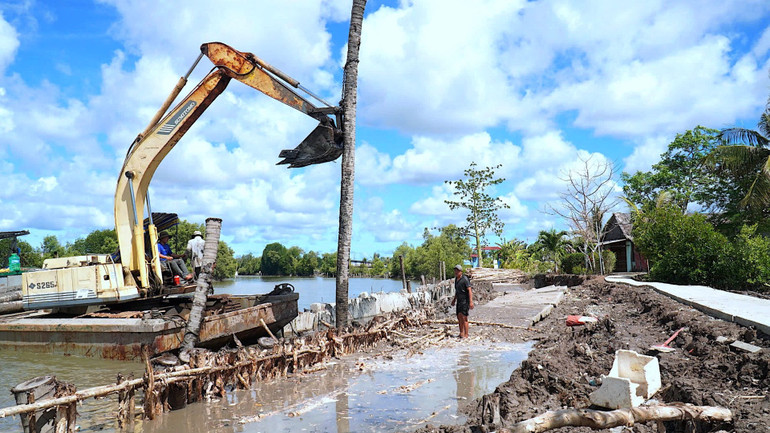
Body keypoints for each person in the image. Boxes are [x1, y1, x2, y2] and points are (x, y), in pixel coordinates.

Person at [451, 264, 474, 338]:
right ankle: (461, 333)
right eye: (455, 271)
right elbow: (457, 291)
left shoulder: (465, 279)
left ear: (461, 271)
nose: (456, 272)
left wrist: (471, 302)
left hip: (465, 300)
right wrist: (454, 300)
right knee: (459, 316)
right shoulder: (456, 280)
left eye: (457, 271)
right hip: (459, 300)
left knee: (464, 317)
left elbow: (469, 290)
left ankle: (466, 334)